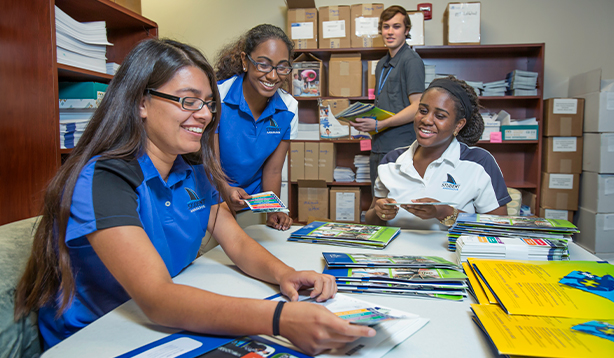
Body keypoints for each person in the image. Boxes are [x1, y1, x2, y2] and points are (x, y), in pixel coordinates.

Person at [13, 38, 374, 355]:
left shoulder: (195, 172)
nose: (203, 115)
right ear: (141, 102)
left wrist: (286, 274)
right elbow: (157, 299)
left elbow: (238, 243)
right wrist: (280, 318)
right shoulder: (104, 179)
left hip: (163, 323)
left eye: (208, 104)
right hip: (97, 337)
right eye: (188, 101)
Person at [365, 76, 511, 230]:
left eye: (440, 116)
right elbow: (372, 220)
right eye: (422, 111)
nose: (426, 120)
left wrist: (444, 212)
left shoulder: (479, 162)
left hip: (451, 253)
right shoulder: (391, 161)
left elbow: (499, 225)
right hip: (394, 252)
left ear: (459, 125)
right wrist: (379, 212)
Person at [215, 24, 296, 231]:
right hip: (212, 199)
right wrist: (226, 189)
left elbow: (274, 169)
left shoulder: (288, 108)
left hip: (252, 203)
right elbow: (210, 161)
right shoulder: (217, 97)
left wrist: (273, 210)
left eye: (282, 67)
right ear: (245, 61)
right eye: (263, 65)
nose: (272, 76)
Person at [350, 5, 426, 187]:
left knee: (395, 206)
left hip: (400, 147)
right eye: (386, 27)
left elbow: (417, 106)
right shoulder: (382, 64)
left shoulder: (412, 61)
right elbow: (386, 105)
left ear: (406, 30)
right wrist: (364, 121)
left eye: (396, 26)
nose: (390, 32)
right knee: (378, 202)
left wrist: (381, 124)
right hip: (378, 145)